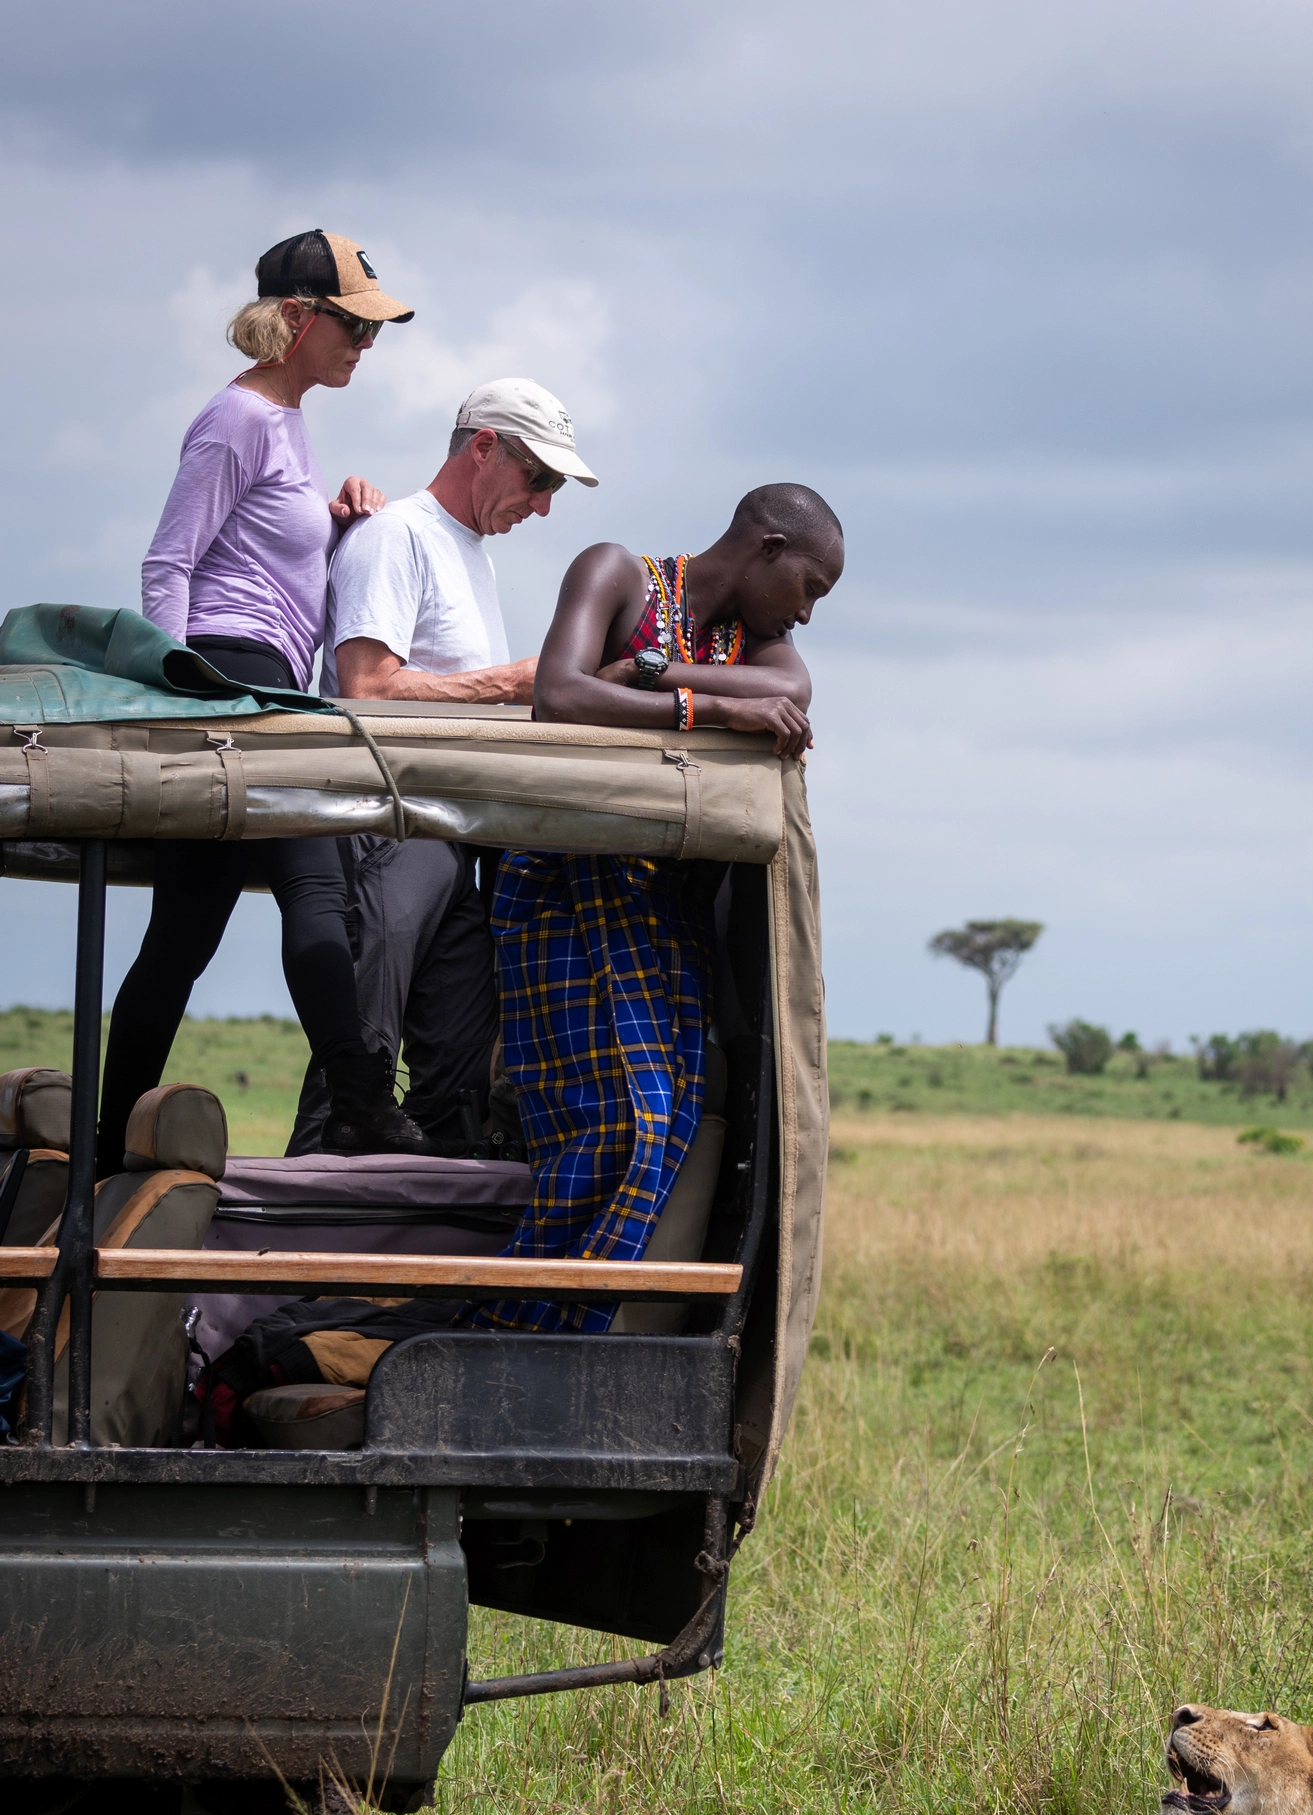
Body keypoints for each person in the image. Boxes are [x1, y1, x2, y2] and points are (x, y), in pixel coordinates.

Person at [97, 229, 433, 1173]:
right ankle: (363, 1102)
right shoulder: (237, 418)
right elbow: (171, 562)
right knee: (314, 884)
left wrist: (333, 526)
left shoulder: (288, 423)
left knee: (183, 933)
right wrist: (182, 695)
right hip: (230, 679)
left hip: (260, 676)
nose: (366, 347)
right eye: (354, 328)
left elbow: (269, 570)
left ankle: (103, 1138)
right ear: (297, 317)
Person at [476, 484, 844, 1334]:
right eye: (809, 588)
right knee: (619, 1127)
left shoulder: (762, 641)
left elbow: (797, 690)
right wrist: (712, 705)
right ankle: (516, 1331)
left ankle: (552, 1334)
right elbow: (560, 696)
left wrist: (642, 673)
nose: (807, 612)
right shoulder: (617, 574)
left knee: (672, 1122)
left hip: (664, 914)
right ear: (769, 546)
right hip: (566, 893)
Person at [288, 379, 597, 1153]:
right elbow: (364, 688)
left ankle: (421, 1257)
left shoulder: (471, 555)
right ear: (484, 447)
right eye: (540, 478)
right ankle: (299, 1254)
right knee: (360, 1056)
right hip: (388, 821)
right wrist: (507, 683)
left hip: (453, 833)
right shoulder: (397, 534)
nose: (545, 504)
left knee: (457, 1073)